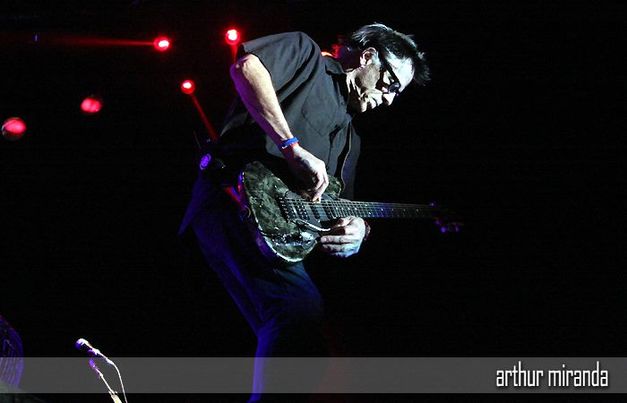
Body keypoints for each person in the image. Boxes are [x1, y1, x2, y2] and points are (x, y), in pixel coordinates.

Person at [179, 23, 429, 401]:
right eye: (391, 84)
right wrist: (291, 147)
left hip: (272, 238)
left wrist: (359, 230)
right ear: (368, 57)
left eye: (398, 93)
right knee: (299, 311)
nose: (390, 99)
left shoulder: (351, 139)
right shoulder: (306, 54)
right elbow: (246, 68)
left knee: (304, 345)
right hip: (233, 201)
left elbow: (338, 206)